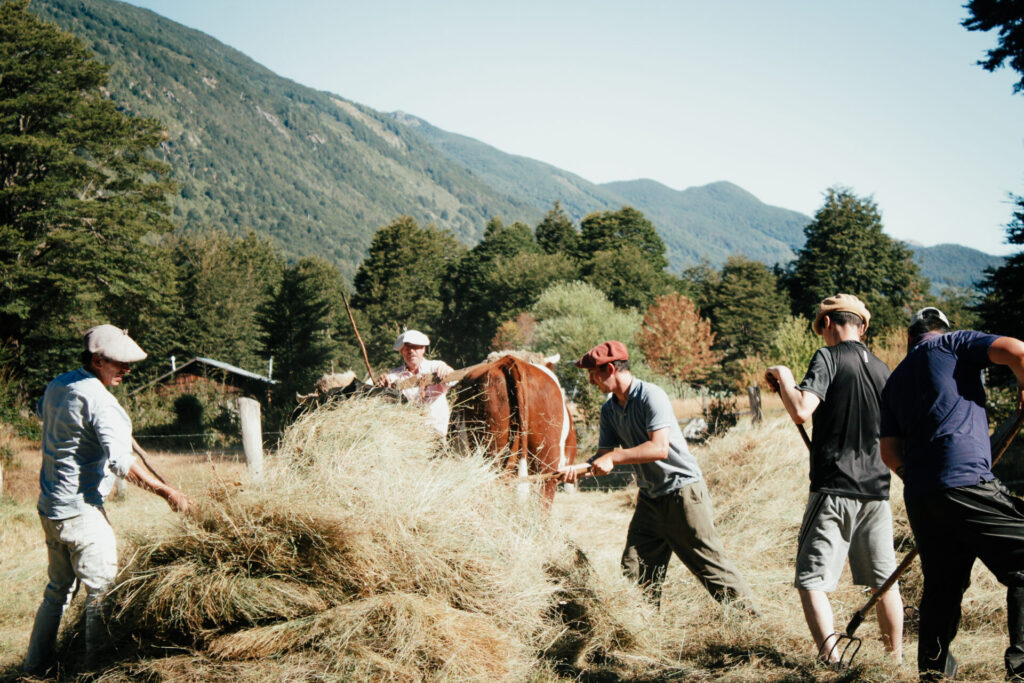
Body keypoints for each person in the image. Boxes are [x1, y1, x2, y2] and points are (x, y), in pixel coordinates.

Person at [24, 325, 193, 676]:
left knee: (56, 592)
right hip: (82, 511)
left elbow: (44, 413)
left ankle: (34, 668)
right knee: (103, 593)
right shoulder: (102, 402)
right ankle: (95, 671)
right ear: (98, 360)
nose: (127, 370)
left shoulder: (59, 384)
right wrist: (168, 492)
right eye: (120, 363)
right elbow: (122, 463)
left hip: (51, 506)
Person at [560, 340, 759, 612]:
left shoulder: (650, 396)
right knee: (635, 570)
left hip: (683, 494)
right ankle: (642, 631)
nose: (591, 381)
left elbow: (659, 448)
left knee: (712, 569)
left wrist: (615, 457)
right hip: (651, 499)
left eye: (593, 373)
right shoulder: (608, 410)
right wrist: (576, 470)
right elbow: (602, 455)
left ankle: (751, 623)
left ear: (609, 369)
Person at [879, 307, 1024, 681]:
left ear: (911, 338)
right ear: (942, 330)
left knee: (942, 588)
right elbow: (1019, 351)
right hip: (966, 483)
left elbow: (889, 453)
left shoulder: (894, 381)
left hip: (923, 495)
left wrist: (924, 477)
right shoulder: (954, 343)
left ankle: (933, 674)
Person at [764, 293, 903, 662]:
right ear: (863, 326)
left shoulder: (827, 357)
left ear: (827, 324)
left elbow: (802, 410)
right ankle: (895, 663)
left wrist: (784, 376)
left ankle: (833, 662)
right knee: (884, 582)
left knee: (811, 580)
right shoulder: (883, 368)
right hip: (877, 489)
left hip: (834, 487)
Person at [376, 329, 454, 437]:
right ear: (401, 351)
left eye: (415, 347)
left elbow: (454, 381)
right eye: (407, 348)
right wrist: (382, 381)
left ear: (423, 349)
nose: (410, 351)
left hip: (436, 433)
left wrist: (447, 371)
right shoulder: (394, 375)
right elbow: (379, 390)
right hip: (408, 436)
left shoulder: (436, 366)